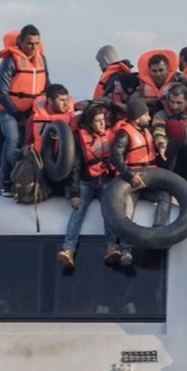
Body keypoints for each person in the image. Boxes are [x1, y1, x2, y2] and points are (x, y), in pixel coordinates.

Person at [57, 104, 116, 269]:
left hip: (105, 180)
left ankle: (111, 246)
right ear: (90, 123)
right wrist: (74, 193)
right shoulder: (79, 139)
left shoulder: (111, 136)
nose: (101, 124)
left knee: (110, 210)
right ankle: (68, 249)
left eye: (103, 120)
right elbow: (75, 167)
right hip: (86, 181)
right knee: (78, 212)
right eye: (97, 121)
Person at [0, 25, 49, 196]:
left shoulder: (42, 59)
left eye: (36, 43)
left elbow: (47, 84)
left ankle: (31, 179)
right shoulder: (10, 61)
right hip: (9, 111)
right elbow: (1, 93)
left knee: (34, 142)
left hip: (32, 111)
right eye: (29, 43)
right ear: (20, 42)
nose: (33, 48)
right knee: (12, 140)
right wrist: (17, 114)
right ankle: (6, 182)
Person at [107, 99, 157, 268]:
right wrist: (129, 176)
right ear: (137, 118)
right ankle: (126, 249)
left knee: (165, 198)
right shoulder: (124, 134)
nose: (149, 118)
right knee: (127, 212)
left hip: (149, 180)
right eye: (146, 115)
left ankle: (159, 229)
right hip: (132, 183)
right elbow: (115, 157)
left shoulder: (145, 131)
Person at [152, 83, 187, 186]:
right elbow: (158, 131)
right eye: (172, 102)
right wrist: (161, 145)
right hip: (170, 157)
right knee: (170, 145)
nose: (174, 106)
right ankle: (167, 182)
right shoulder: (162, 115)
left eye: (179, 103)